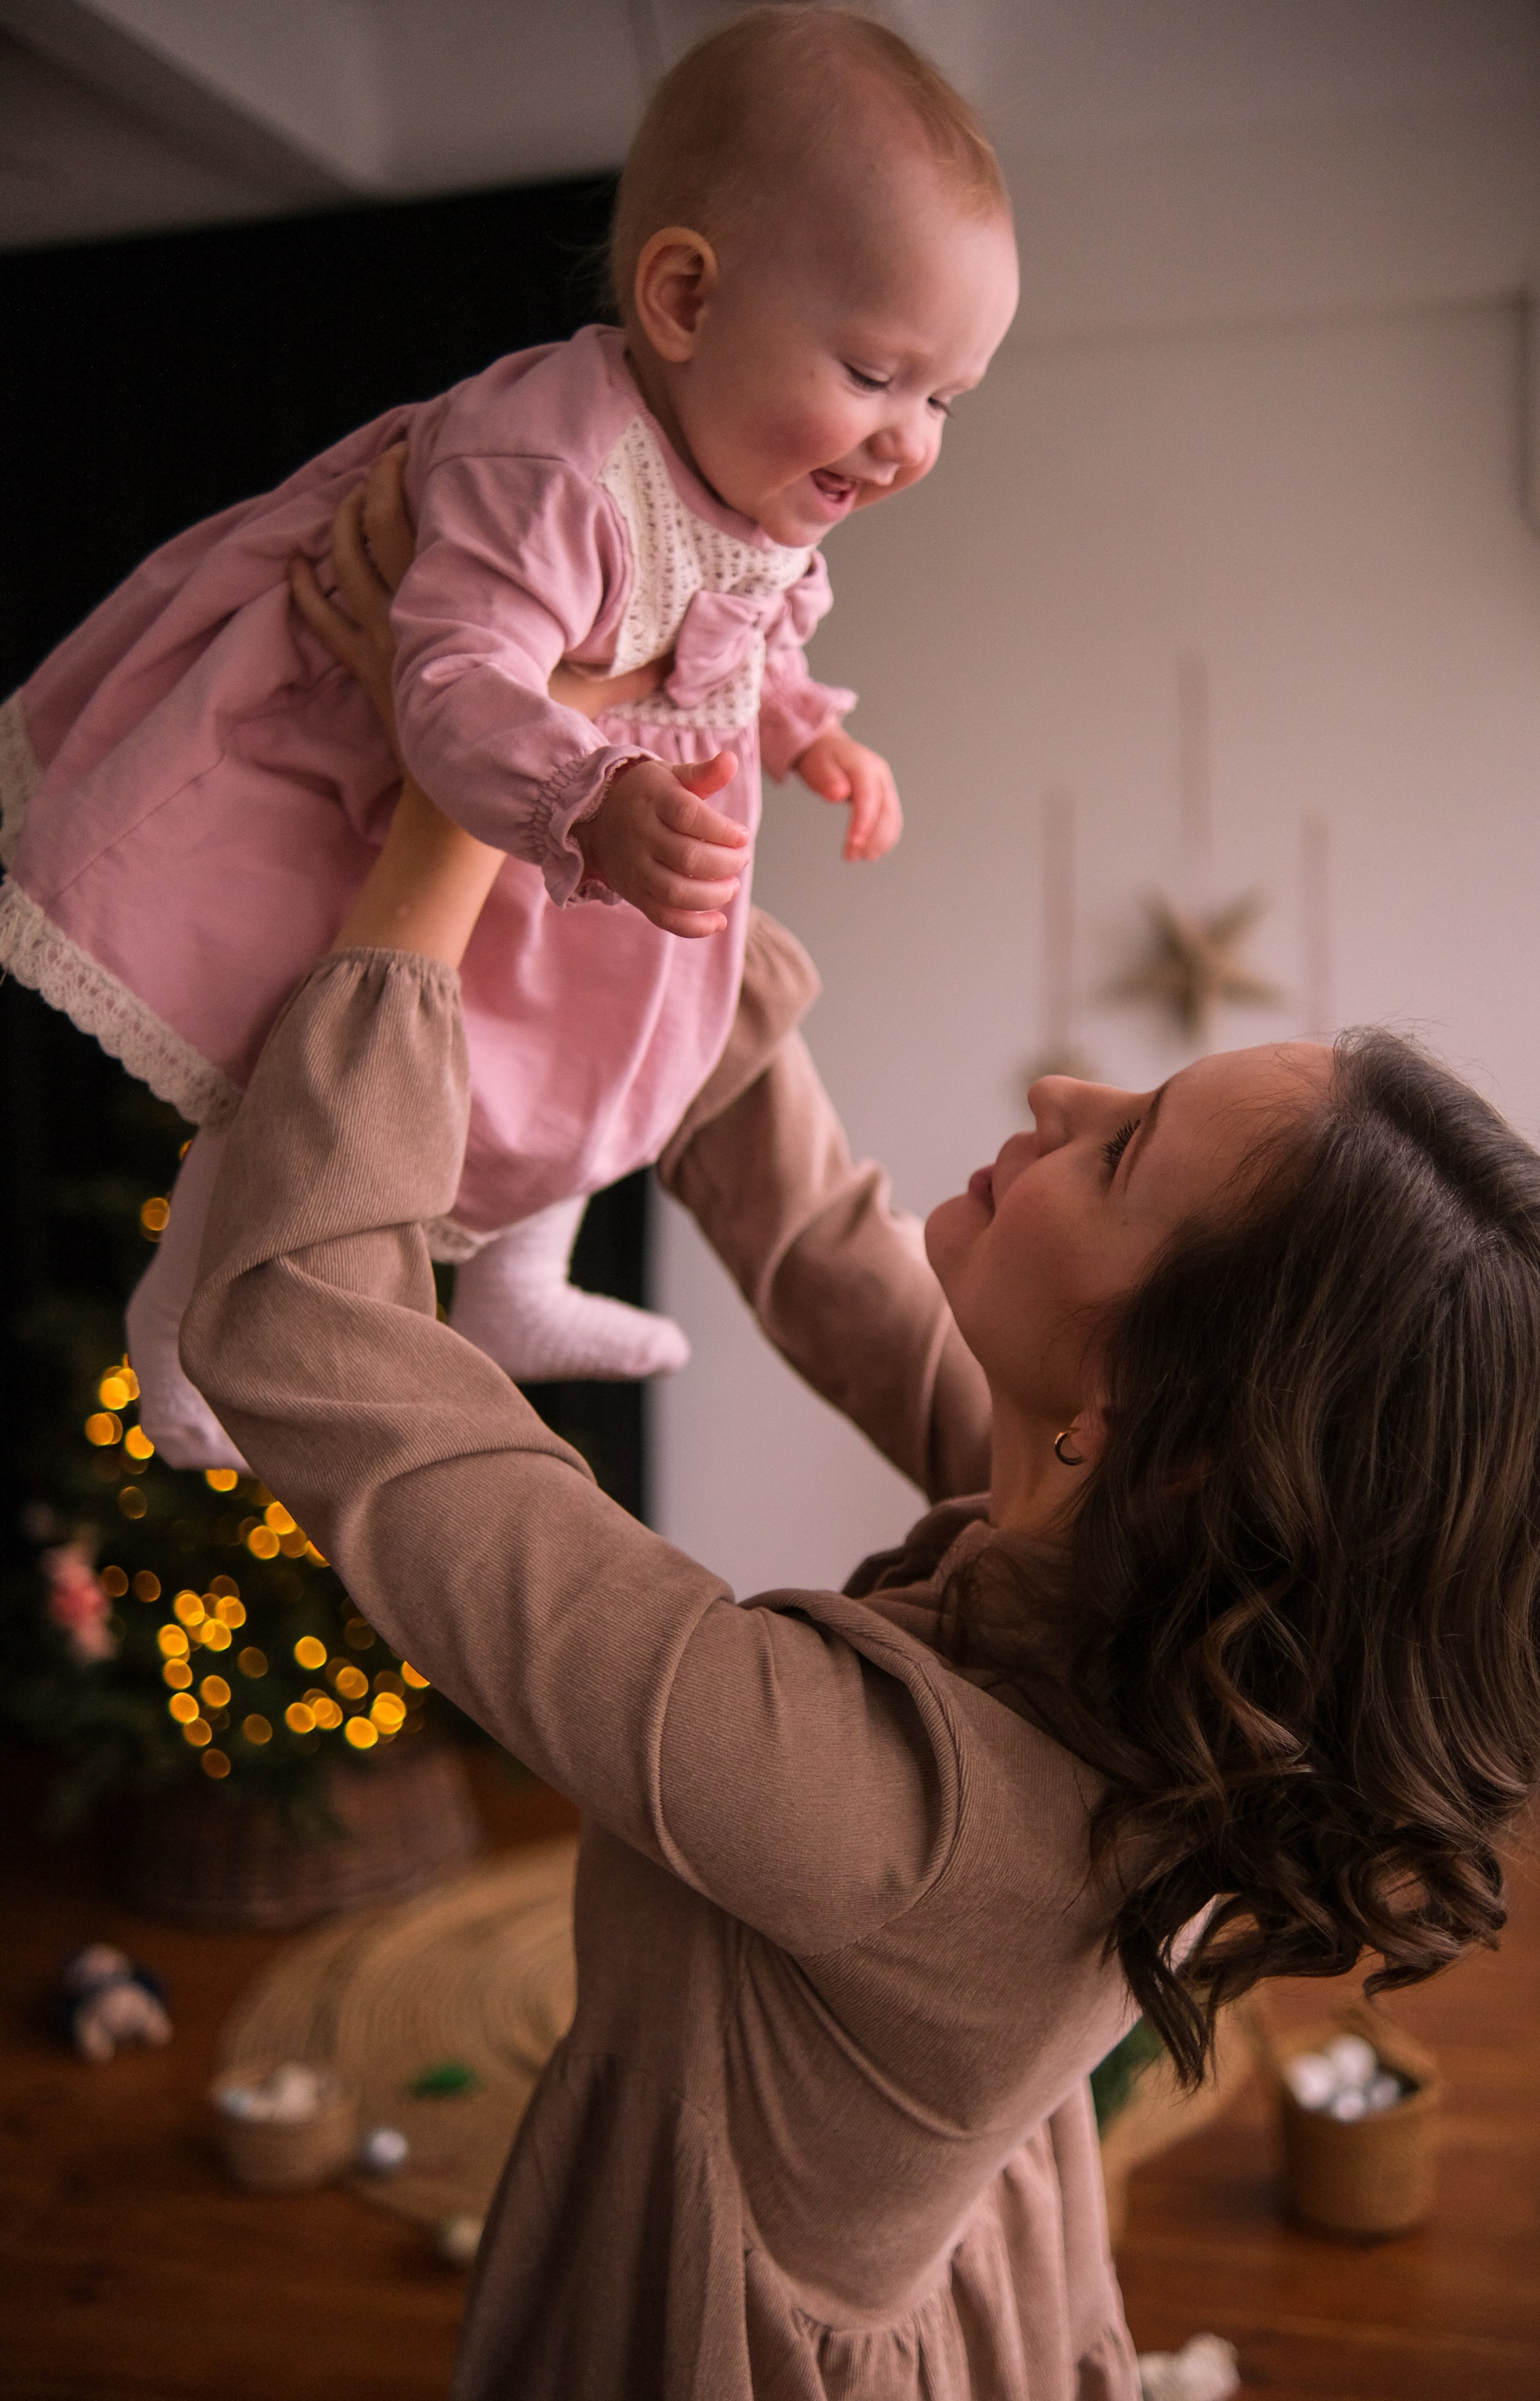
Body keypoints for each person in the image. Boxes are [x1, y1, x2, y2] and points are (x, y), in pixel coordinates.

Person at [175, 493, 1540, 2401]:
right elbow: (799, 1224)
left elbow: (310, 1333)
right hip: (947, 2274)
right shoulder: (1149, 1579)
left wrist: (446, 815)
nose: (1055, 1094)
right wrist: (599, 779)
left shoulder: (887, 1813)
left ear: (1151, 1416)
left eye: (1122, 1153)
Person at [0, 5, 1019, 1468]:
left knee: (606, 1039)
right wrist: (594, 794)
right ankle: (182, 1316)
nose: (907, 440)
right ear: (680, 297)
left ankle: (517, 1283)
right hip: (376, 792)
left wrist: (806, 736)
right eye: (874, 375)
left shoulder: (751, 494)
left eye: (944, 398)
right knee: (298, 1053)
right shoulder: (553, 462)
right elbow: (454, 681)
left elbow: (739, 643)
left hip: (554, 822)